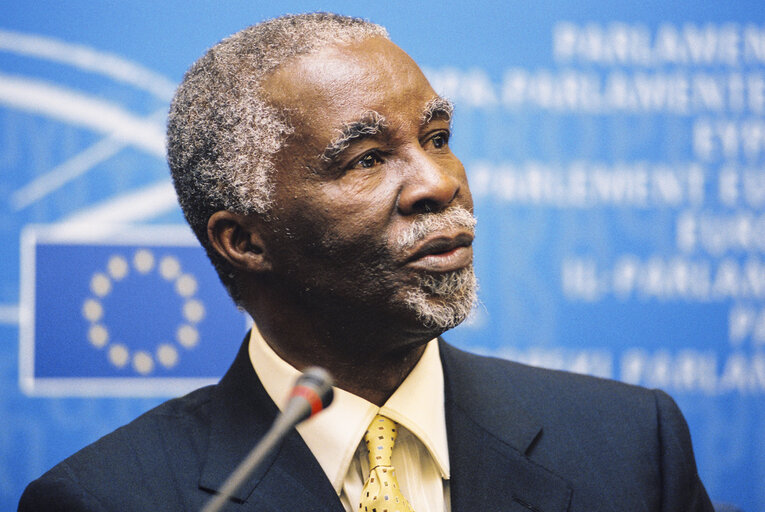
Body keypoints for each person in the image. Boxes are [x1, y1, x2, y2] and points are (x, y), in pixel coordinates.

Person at [19, 12, 714, 512]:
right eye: (367, 159)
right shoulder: (107, 497)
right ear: (243, 240)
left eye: (437, 138)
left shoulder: (630, 445)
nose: (439, 184)